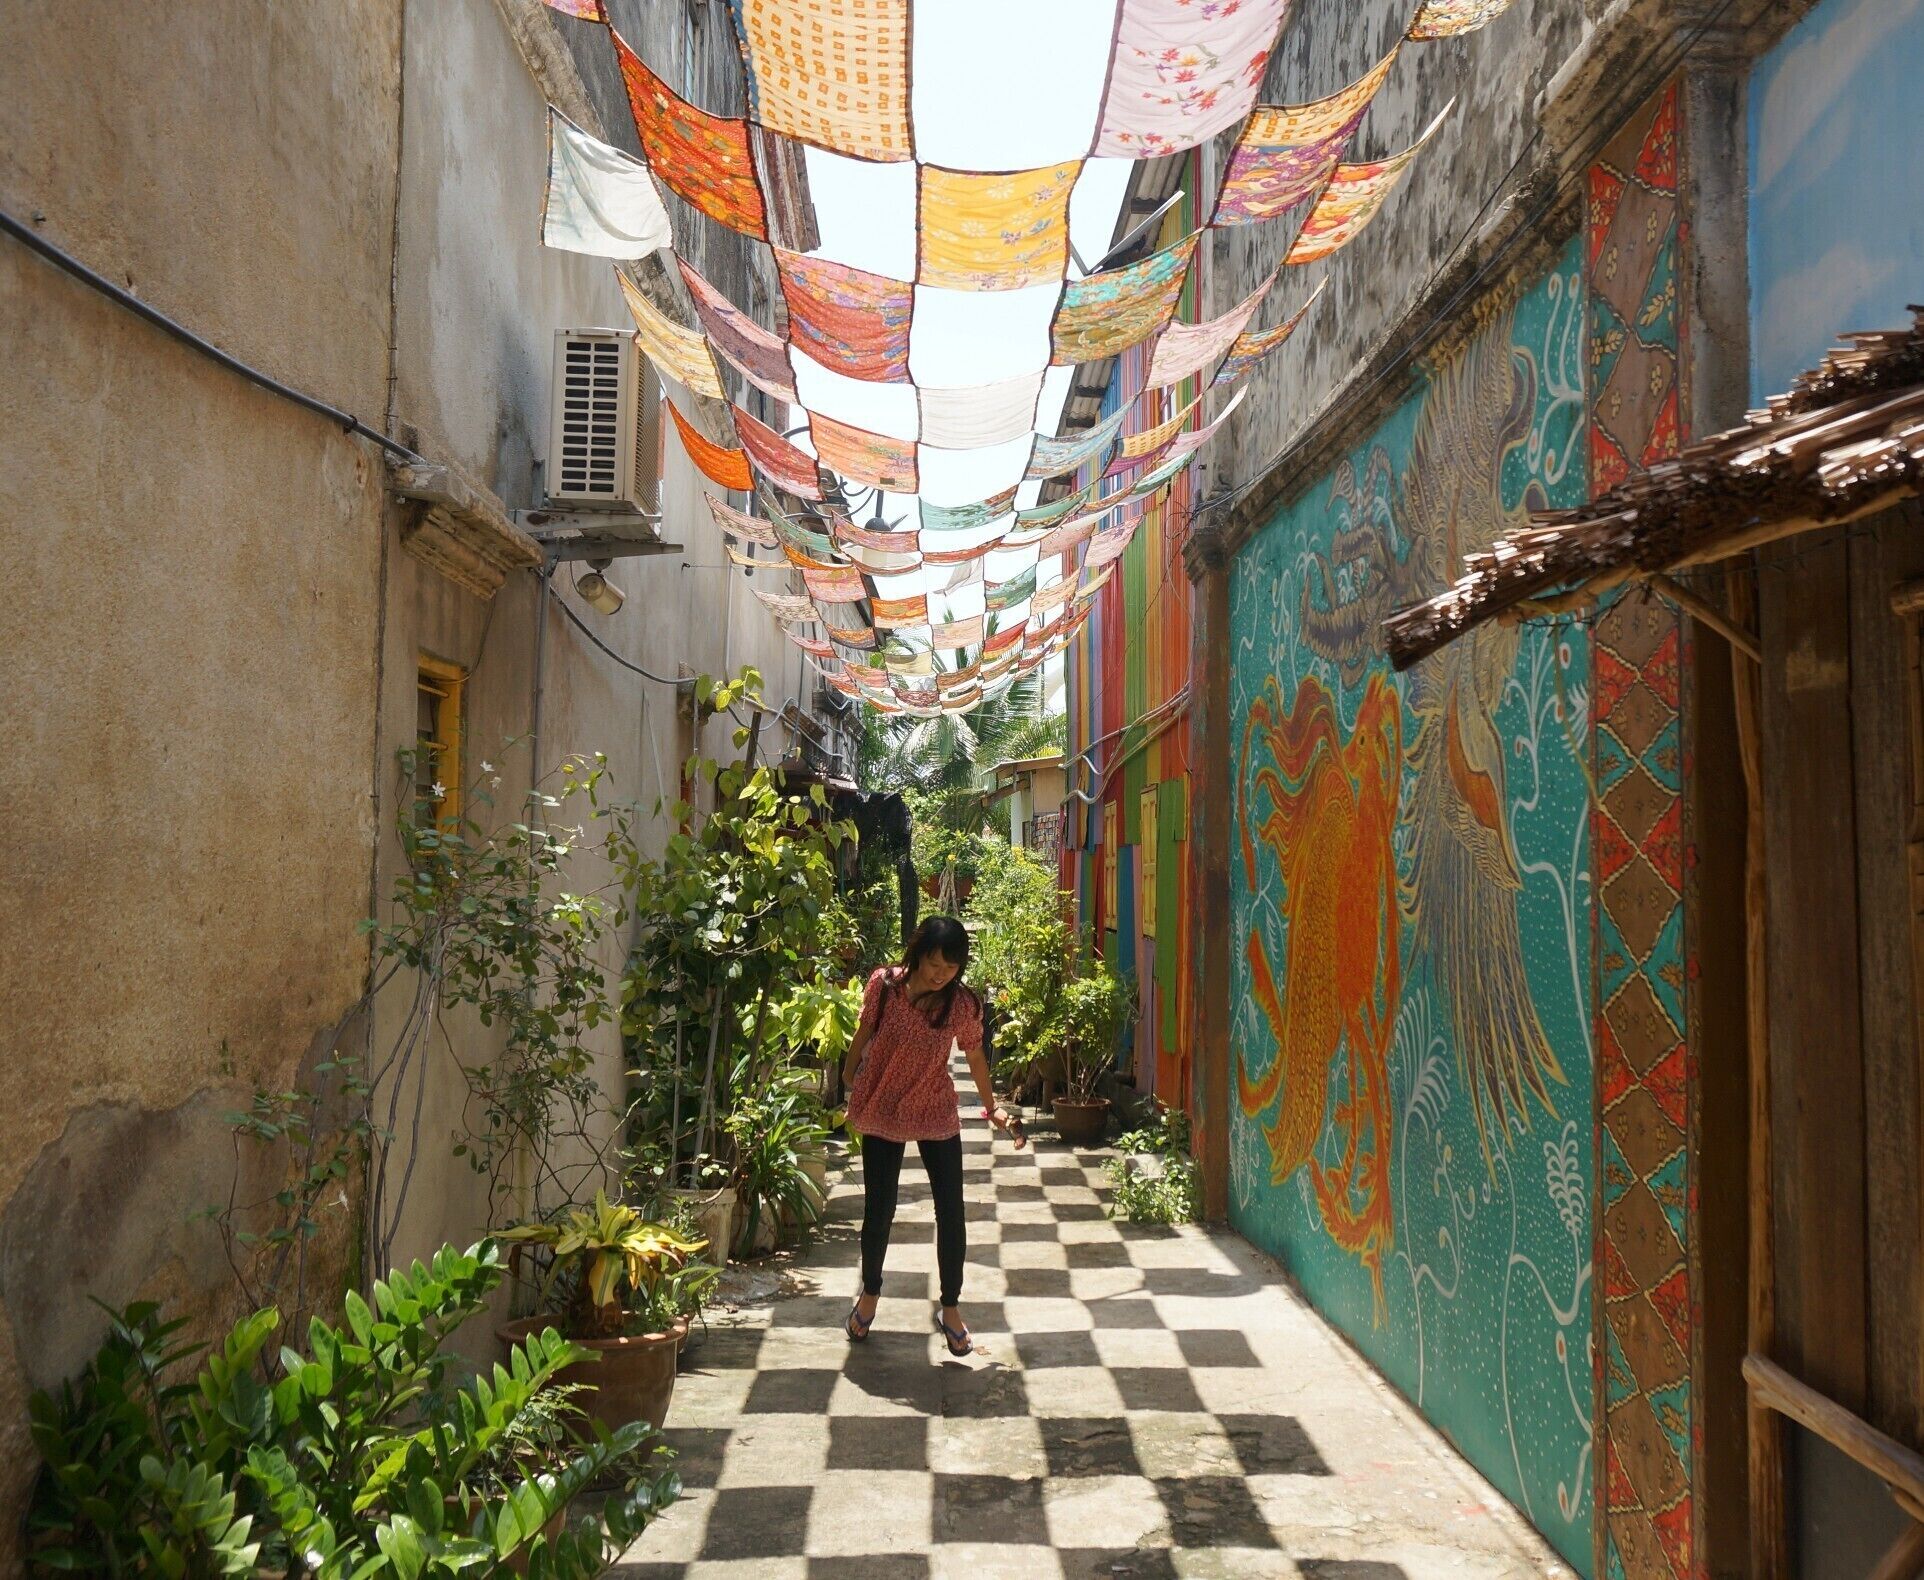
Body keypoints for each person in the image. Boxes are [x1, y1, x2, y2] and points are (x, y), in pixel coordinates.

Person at [840, 915, 1021, 1356]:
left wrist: (992, 1106)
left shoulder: (961, 1004)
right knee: (879, 1209)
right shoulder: (885, 986)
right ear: (919, 954)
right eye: (935, 964)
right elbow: (864, 1033)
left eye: (951, 967)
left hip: (934, 1106)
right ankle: (870, 1294)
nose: (942, 974)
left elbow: (975, 1057)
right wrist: (849, 1081)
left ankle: (951, 1308)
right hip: (883, 1105)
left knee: (951, 1211)